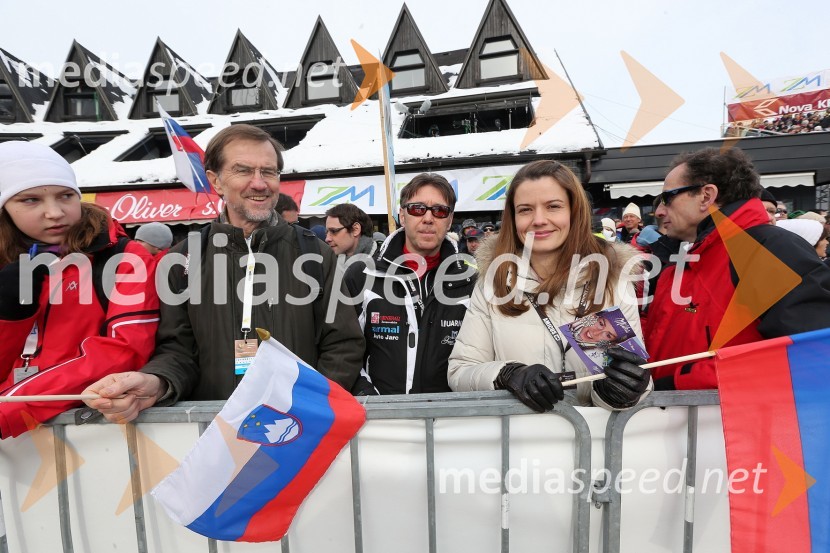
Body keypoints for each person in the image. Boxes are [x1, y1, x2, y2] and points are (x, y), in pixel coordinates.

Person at [83, 124, 364, 422]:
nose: (259, 183)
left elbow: (343, 345)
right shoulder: (182, 260)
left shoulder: (314, 254)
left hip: (296, 432)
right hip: (213, 437)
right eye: (243, 171)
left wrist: (307, 409)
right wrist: (157, 382)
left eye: (268, 172)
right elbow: (177, 351)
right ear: (216, 181)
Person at [448, 160, 651, 412]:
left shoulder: (611, 280)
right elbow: (460, 371)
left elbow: (635, 375)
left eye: (553, 206)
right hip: (519, 444)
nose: (539, 220)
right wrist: (507, 374)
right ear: (512, 218)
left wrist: (621, 392)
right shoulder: (494, 282)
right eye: (525, 210)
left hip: (593, 442)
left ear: (574, 212)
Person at [0, 141, 160, 438]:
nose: (54, 212)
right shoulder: (8, 266)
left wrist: (10, 409)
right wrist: (10, 319)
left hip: (90, 440)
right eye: (30, 200)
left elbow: (123, 353)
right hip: (15, 446)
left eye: (65, 196)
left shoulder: (123, 257)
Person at [646, 147, 830, 390]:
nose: (659, 211)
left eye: (667, 198)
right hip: (676, 420)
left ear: (706, 196)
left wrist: (678, 384)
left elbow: (810, 353)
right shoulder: (688, 256)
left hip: (730, 423)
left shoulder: (769, 249)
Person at [344, 173, 476, 395]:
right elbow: (343, 348)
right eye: (417, 209)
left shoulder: (470, 280)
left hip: (450, 421)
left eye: (439, 211)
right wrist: (366, 395)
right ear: (402, 216)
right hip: (383, 420)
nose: (428, 218)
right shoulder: (362, 273)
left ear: (450, 220)